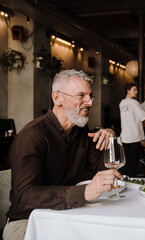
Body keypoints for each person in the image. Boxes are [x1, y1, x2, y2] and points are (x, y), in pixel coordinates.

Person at [3, 69, 121, 240]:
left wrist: (109, 140)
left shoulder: (81, 131)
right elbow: (25, 196)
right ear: (57, 98)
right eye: (81, 96)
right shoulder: (32, 135)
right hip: (27, 221)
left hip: (69, 215)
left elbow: (102, 174)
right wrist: (84, 192)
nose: (89, 102)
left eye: (90, 96)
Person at [119, 83, 145, 177]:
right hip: (134, 136)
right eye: (134, 89)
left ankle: (124, 182)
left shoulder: (121, 103)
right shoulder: (134, 102)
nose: (136, 92)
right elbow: (143, 117)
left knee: (125, 163)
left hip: (124, 136)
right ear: (128, 90)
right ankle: (132, 183)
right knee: (133, 164)